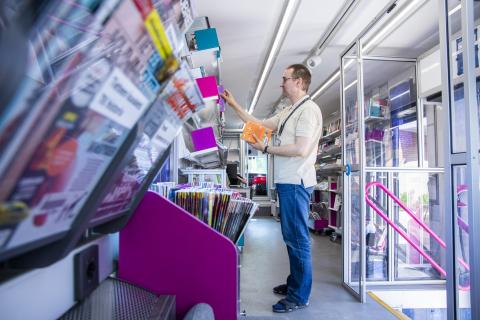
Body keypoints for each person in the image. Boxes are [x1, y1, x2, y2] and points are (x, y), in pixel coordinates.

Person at [220, 64, 323, 313]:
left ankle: (299, 296)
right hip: (286, 182)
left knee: (298, 239)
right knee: (290, 237)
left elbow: (301, 149)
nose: (282, 83)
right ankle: (294, 283)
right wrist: (233, 105)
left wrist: (266, 149)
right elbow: (260, 123)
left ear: (299, 82)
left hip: (296, 183)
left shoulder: (308, 111)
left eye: (285, 78)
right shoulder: (290, 111)